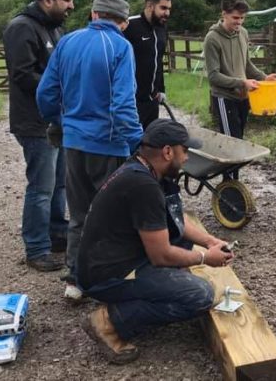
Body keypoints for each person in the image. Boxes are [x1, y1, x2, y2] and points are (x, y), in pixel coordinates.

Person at [77, 119, 234, 364]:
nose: (186, 158)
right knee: (200, 294)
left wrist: (209, 240)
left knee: (179, 242)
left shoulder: (145, 170)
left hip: (111, 260)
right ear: (168, 151)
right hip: (107, 275)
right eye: (184, 151)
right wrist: (206, 257)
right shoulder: (143, 186)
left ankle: (159, 287)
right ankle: (109, 321)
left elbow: (174, 216)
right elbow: (161, 255)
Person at [37, 0, 143, 301]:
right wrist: (138, 142)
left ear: (94, 14)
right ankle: (109, 281)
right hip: (109, 146)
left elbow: (46, 93)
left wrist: (60, 122)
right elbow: (123, 104)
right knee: (113, 214)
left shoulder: (67, 42)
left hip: (74, 144)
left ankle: (75, 280)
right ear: (122, 23)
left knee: (80, 213)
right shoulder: (121, 46)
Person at [2, 0, 74, 272]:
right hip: (34, 122)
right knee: (41, 188)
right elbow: (22, 74)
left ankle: (57, 233)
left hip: (54, 119)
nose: (70, 6)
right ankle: (36, 248)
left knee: (59, 184)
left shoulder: (52, 29)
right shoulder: (22, 28)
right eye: (66, 0)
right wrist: (60, 86)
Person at [203, 0, 276, 178]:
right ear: (224, 14)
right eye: (236, 17)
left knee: (238, 141)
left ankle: (232, 185)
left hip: (243, 96)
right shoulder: (212, 38)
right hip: (223, 97)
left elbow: (246, 64)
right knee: (231, 146)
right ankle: (230, 189)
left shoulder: (243, 33)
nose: (239, 22)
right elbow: (213, 76)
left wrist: (263, 77)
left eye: (242, 18)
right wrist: (241, 82)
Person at [124, 0, 172, 129]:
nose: (167, 13)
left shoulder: (162, 28)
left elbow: (159, 61)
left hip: (152, 100)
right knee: (131, 145)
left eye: (169, 9)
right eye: (163, 8)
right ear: (150, 6)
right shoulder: (129, 25)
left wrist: (161, 89)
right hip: (131, 102)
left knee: (150, 145)